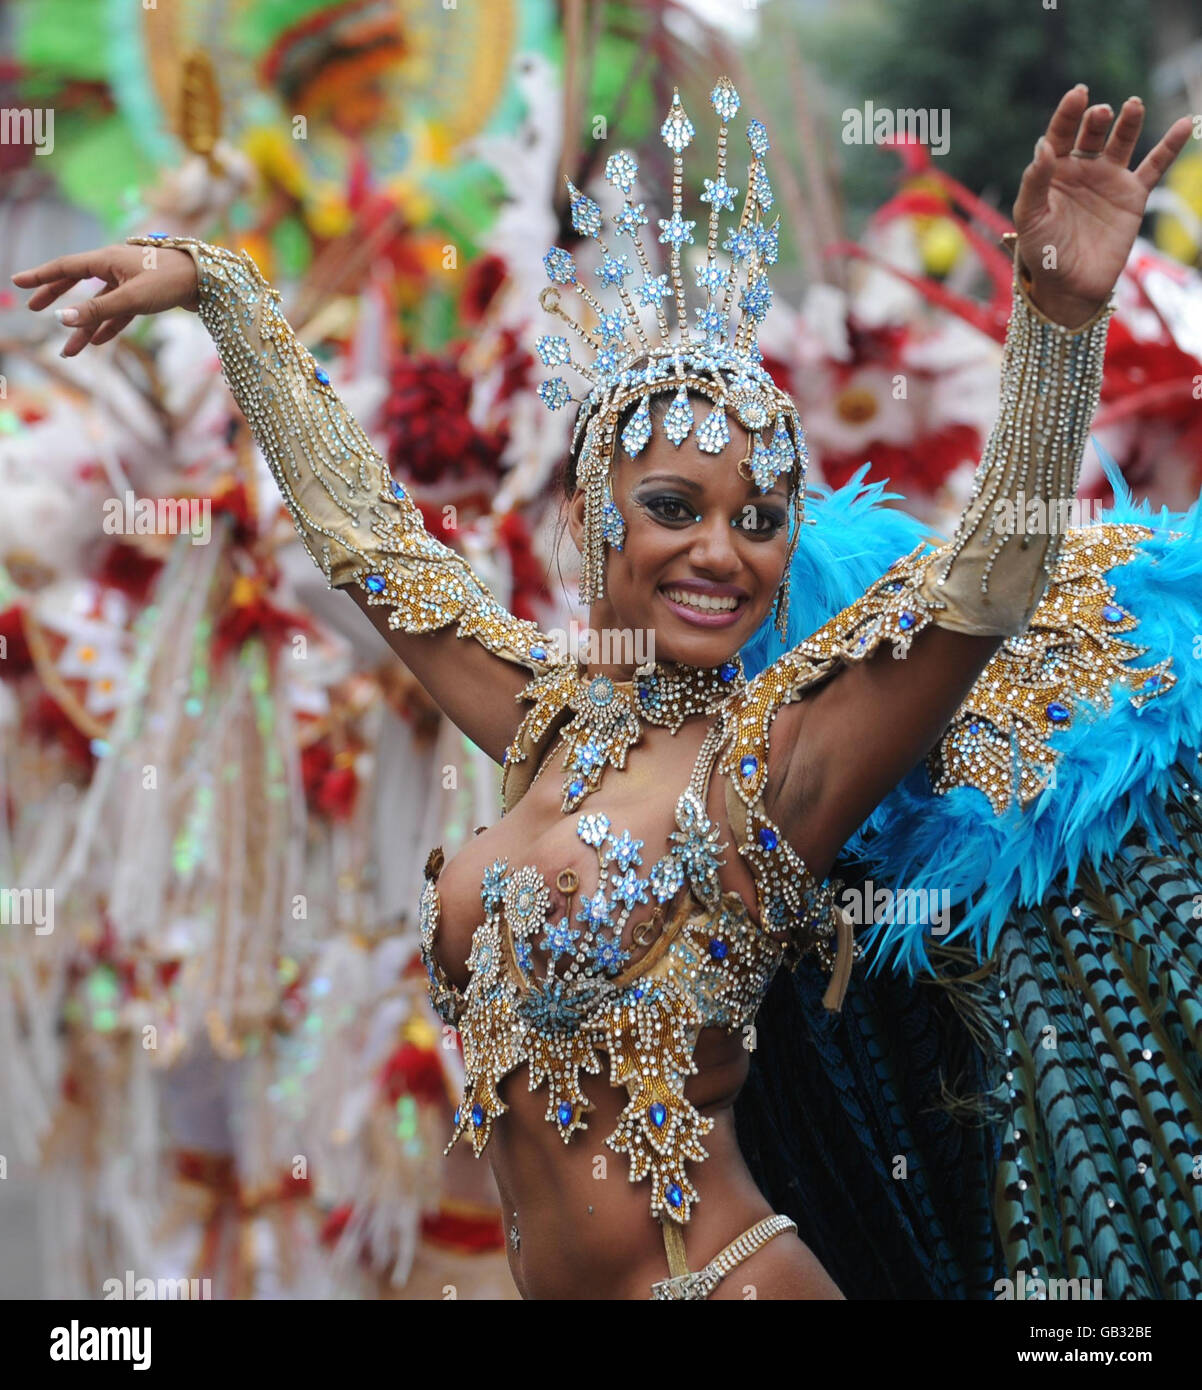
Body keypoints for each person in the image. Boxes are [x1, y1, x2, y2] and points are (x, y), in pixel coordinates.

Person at [14, 80, 1192, 1301]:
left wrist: (1057, 319)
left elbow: (982, 586)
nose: (719, 553)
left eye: (760, 521)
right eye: (674, 509)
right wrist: (222, 291)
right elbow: (370, 544)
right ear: (592, 522)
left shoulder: (772, 766)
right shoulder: (545, 723)